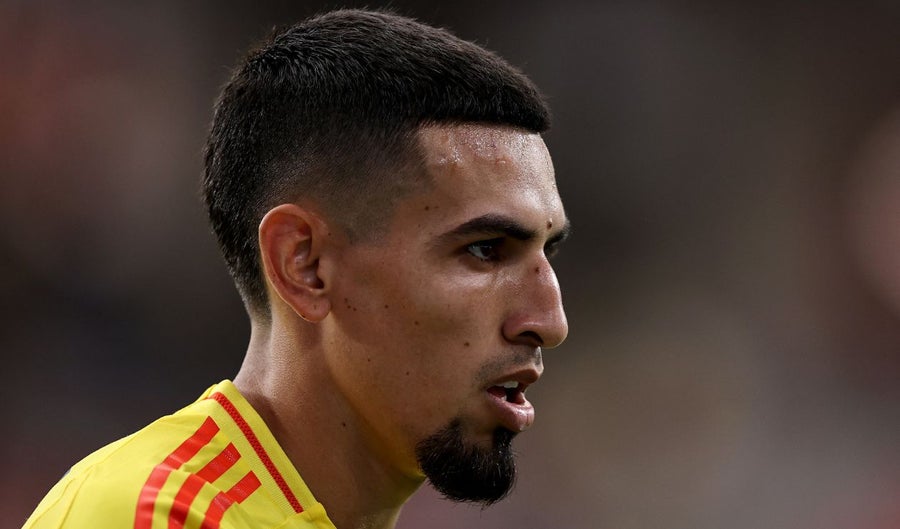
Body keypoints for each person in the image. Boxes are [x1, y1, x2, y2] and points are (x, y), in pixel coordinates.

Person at [24, 8, 569, 529]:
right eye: (485, 249)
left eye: (548, 251)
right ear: (304, 265)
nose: (549, 322)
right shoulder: (161, 514)